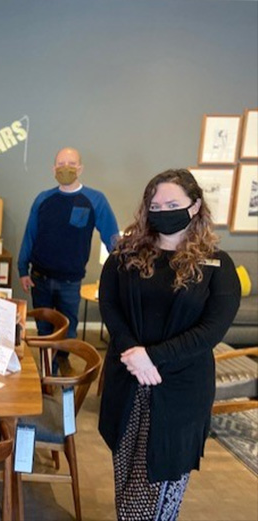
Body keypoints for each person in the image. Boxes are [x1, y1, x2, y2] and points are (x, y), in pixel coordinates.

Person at [98, 169, 240, 520]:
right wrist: (133, 352)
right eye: (155, 204)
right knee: (126, 483)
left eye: (173, 203)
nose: (162, 210)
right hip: (128, 384)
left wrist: (152, 357)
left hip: (180, 395)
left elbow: (212, 330)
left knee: (153, 496)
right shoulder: (125, 255)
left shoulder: (218, 266)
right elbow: (110, 306)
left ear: (194, 207)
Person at [17, 147, 119, 373]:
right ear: (53, 168)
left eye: (71, 164)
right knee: (44, 328)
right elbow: (30, 235)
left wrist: (125, 265)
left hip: (70, 282)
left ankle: (61, 361)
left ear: (80, 168)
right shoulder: (43, 199)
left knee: (68, 329)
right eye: (61, 164)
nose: (66, 168)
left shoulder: (95, 200)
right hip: (39, 278)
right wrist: (22, 269)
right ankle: (47, 370)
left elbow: (112, 237)